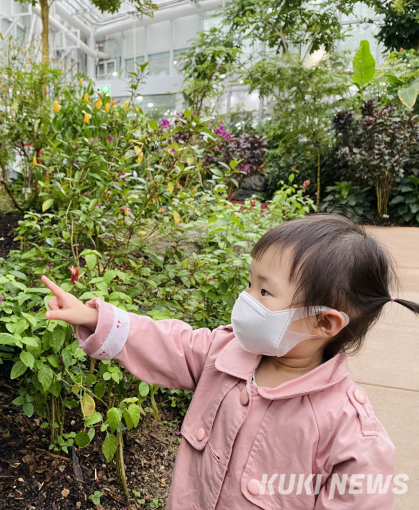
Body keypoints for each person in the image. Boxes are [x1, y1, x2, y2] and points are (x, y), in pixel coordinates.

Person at [40, 214, 419, 509]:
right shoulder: (225, 353)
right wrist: (96, 318)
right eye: (250, 283)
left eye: (265, 290)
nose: (247, 298)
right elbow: (170, 342)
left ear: (325, 322)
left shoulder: (351, 437)